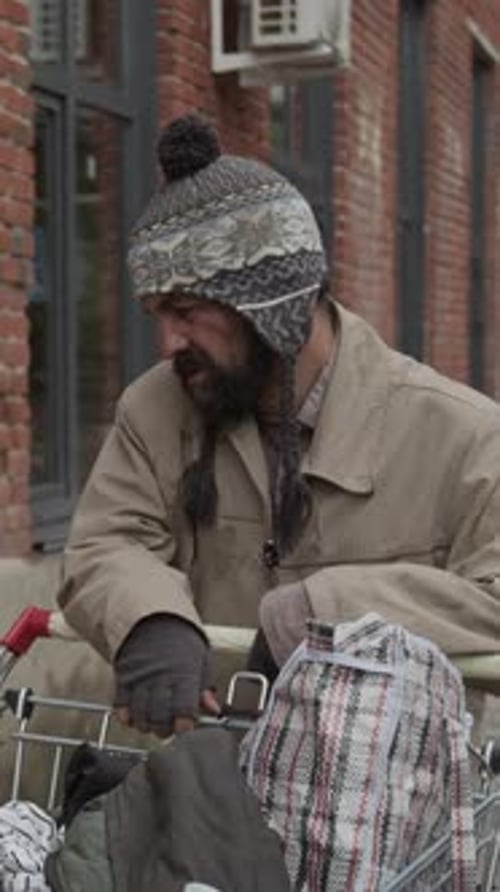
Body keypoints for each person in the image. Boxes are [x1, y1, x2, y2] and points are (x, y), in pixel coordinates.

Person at [58, 111, 500, 738]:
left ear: (275, 307)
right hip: (209, 788)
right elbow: (107, 542)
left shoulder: (462, 435)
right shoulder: (154, 409)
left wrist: (320, 613)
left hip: (387, 807)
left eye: (185, 311)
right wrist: (148, 617)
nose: (166, 342)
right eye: (157, 313)